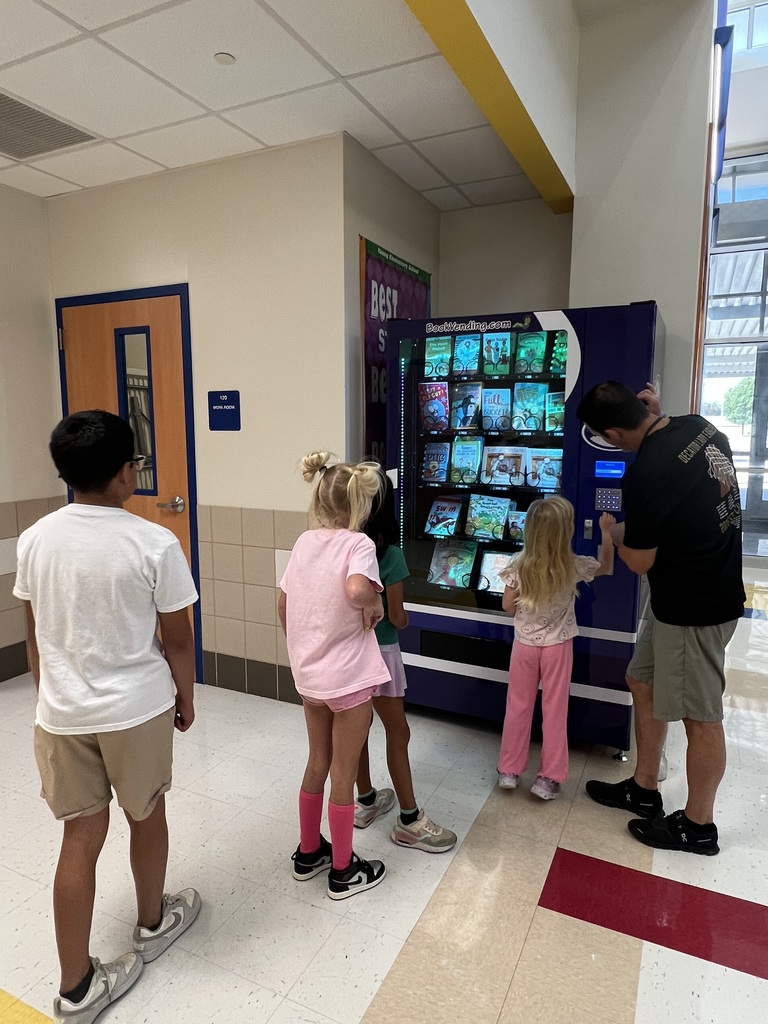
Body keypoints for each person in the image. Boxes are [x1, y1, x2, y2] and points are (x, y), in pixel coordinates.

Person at [14, 411, 201, 1024]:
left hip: (62, 715)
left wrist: (53, 696)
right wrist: (186, 697)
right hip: (134, 711)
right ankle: (152, 924)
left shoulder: (35, 537)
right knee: (146, 816)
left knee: (79, 836)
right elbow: (177, 640)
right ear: (126, 473)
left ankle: (76, 988)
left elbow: (34, 632)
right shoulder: (153, 542)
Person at [576, 381, 744, 855]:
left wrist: (611, 533)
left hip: (695, 608)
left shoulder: (647, 472)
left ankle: (698, 826)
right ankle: (644, 788)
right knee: (641, 681)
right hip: (689, 595)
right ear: (642, 406)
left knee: (700, 717)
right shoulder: (698, 425)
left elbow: (640, 562)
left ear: (611, 433)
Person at [278, 453, 389, 900]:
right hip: (350, 680)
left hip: (310, 678)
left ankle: (309, 852)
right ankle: (343, 869)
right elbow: (356, 589)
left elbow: (284, 604)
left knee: (316, 762)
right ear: (359, 505)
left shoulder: (304, 542)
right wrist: (374, 604)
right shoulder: (358, 545)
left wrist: (302, 643)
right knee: (344, 772)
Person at [353, 474, 457, 852]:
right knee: (398, 733)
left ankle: (364, 801)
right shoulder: (391, 554)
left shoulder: (346, 547)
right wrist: (406, 618)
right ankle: (410, 819)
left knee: (357, 730)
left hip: (351, 655)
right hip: (382, 654)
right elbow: (395, 616)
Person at [497, 497, 615, 799]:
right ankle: (548, 778)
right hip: (558, 648)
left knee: (518, 706)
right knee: (554, 710)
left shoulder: (517, 566)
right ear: (566, 531)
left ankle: (509, 771)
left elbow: (508, 606)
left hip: (524, 646)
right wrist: (605, 531)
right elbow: (607, 567)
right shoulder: (574, 565)